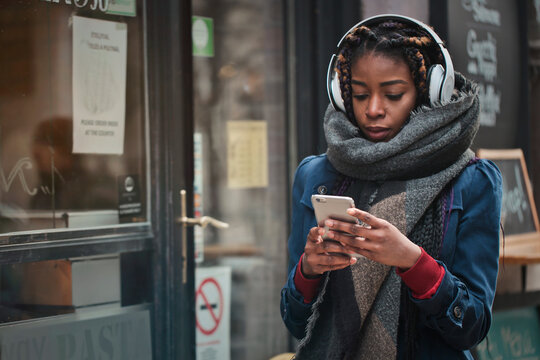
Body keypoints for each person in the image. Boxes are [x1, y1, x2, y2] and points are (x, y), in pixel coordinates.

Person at [280, 14, 502, 360]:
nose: (373, 109)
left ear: (428, 91)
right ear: (341, 95)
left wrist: (412, 261)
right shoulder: (316, 175)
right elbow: (296, 323)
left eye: (393, 94)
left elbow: (472, 327)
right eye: (358, 94)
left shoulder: (472, 180)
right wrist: (308, 270)